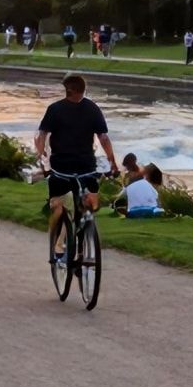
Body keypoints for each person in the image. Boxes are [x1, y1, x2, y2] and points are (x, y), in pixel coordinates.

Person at [33, 74, 119, 267]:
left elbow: (42, 134)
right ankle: (81, 237)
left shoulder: (54, 109)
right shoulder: (92, 108)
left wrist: (40, 154)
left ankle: (57, 242)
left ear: (67, 89)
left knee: (57, 206)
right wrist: (112, 161)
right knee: (89, 204)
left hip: (61, 168)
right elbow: (103, 138)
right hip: (86, 167)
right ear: (83, 89)